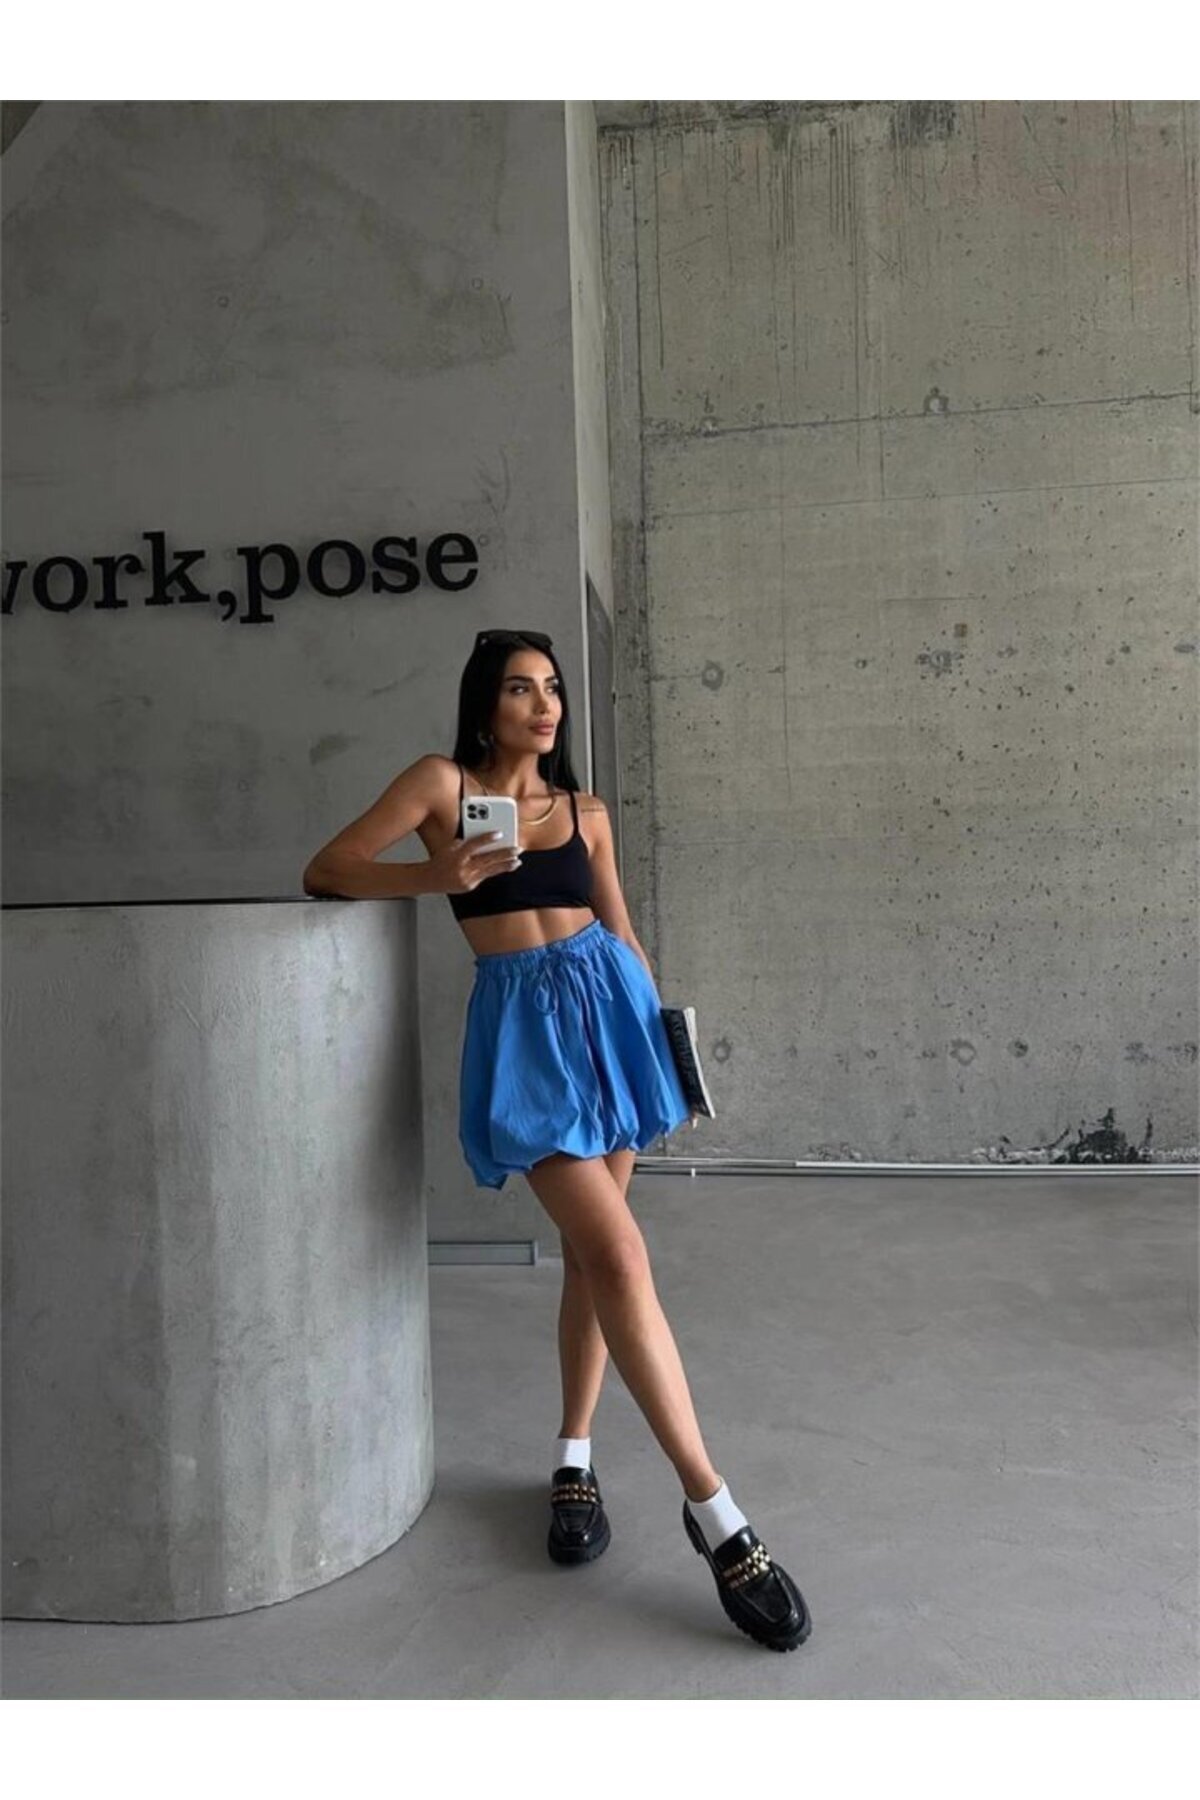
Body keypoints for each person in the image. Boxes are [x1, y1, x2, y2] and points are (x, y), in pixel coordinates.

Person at [303, 627, 811, 1652]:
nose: (543, 706)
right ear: (484, 704)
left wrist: (666, 1050)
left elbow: (621, 934)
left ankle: (574, 1460)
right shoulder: (441, 785)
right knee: (619, 1254)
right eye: (520, 689)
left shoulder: (588, 812)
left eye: (552, 688)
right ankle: (715, 1511)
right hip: (525, 1039)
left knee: (593, 1259)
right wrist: (438, 874)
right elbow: (328, 868)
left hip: (612, 1026)